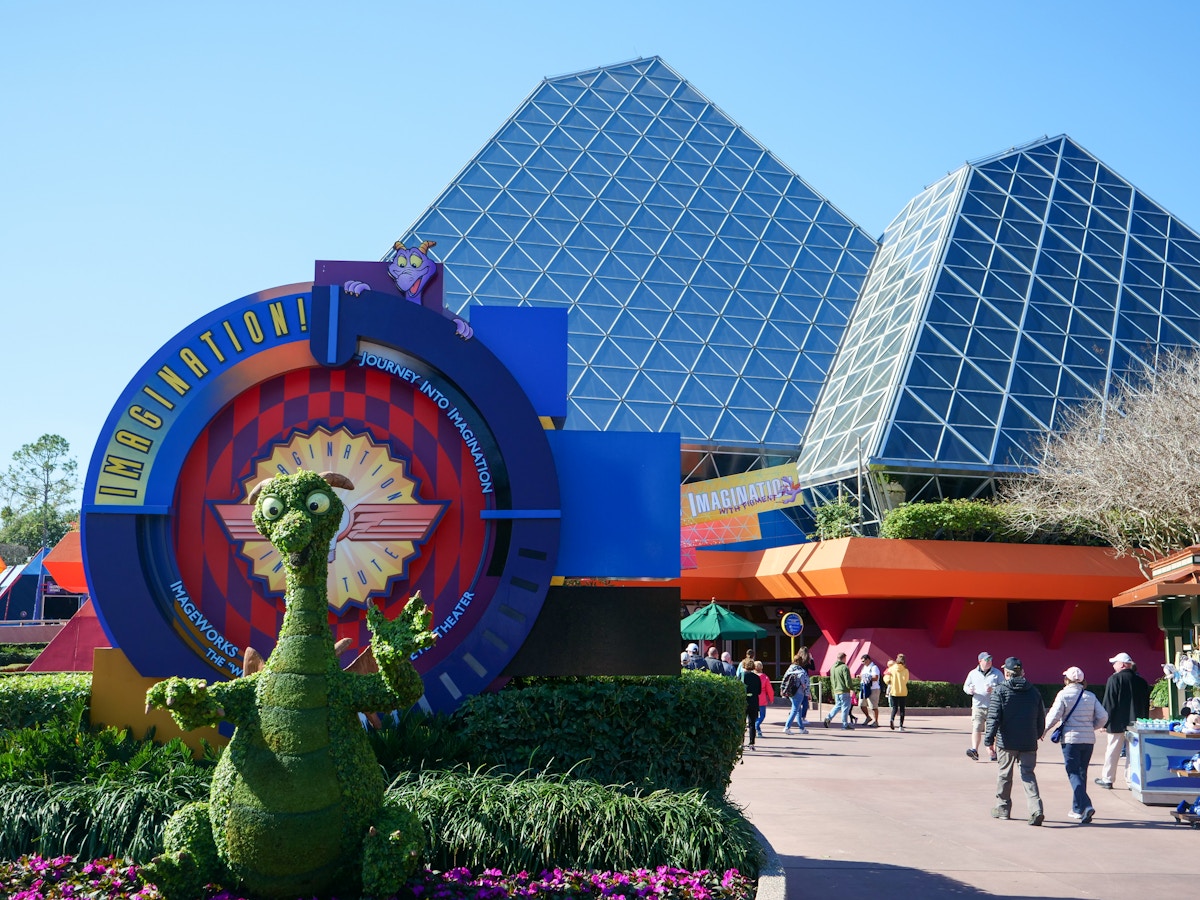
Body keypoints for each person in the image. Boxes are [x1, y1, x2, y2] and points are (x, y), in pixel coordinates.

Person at [983, 656, 1047, 826]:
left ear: (1007, 673)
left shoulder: (1001, 690)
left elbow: (994, 717)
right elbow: (1041, 715)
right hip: (1028, 741)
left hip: (1007, 741)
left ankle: (1003, 808)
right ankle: (1036, 809)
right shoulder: (1033, 691)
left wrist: (989, 740)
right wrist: (1038, 733)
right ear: (1022, 672)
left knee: (1005, 774)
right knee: (1028, 775)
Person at [1044, 665, 1108, 824]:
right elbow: (1103, 716)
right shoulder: (1090, 696)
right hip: (1088, 740)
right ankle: (1077, 809)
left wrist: (1043, 730)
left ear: (1067, 679)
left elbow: (1054, 715)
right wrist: (1092, 727)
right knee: (1081, 773)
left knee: (1073, 773)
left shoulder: (1063, 695)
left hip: (1071, 740)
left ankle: (1086, 806)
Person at [1096, 651, 1151, 789]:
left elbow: (1109, 703)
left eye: (1115, 663)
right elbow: (1146, 704)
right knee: (1133, 754)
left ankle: (1108, 779)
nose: (1114, 665)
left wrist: (1104, 722)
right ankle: (1132, 781)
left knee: (1112, 751)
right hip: (1136, 724)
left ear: (1122, 665)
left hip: (1116, 723)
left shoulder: (1114, 680)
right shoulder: (1141, 681)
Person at [964, 652, 1003, 761]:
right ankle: (974, 750)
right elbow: (965, 686)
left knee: (993, 730)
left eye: (990, 659)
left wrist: (994, 690)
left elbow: (1003, 688)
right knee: (976, 727)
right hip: (978, 706)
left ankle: (993, 752)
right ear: (980, 661)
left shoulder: (997, 673)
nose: (989, 661)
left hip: (993, 706)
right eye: (986, 660)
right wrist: (969, 690)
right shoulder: (972, 673)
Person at [781, 650, 811, 735]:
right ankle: (787, 727)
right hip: (799, 692)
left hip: (790, 692)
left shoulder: (789, 669)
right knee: (795, 709)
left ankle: (801, 728)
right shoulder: (802, 671)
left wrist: (782, 690)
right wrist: (807, 693)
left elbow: (784, 680)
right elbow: (806, 683)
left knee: (798, 709)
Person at [823, 652, 855, 729]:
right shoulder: (844, 667)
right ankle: (845, 724)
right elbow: (847, 680)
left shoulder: (833, 667)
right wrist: (851, 688)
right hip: (844, 690)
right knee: (845, 708)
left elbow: (832, 679)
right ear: (844, 658)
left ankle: (828, 717)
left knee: (838, 705)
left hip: (836, 690)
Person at [739, 656, 762, 750]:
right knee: (752, 723)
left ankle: (741, 742)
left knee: (742, 723)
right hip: (754, 701)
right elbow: (759, 691)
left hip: (743, 701)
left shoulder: (741, 675)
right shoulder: (757, 677)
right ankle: (752, 743)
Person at [884, 654, 911, 731]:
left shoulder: (891, 669)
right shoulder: (906, 670)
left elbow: (886, 677)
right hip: (902, 691)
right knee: (902, 709)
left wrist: (888, 681)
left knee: (894, 708)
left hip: (894, 691)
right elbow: (906, 681)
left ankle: (892, 719)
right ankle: (901, 726)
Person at [858, 654, 881, 727]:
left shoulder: (874, 667)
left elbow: (875, 678)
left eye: (863, 661)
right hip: (864, 688)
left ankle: (876, 721)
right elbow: (862, 676)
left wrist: (866, 677)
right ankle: (868, 717)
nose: (862, 663)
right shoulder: (864, 667)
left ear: (868, 660)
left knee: (873, 706)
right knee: (861, 704)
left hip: (873, 688)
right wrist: (861, 677)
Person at [754, 660, 775, 737]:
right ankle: (757, 726)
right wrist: (771, 698)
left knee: (755, 715)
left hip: (754, 698)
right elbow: (769, 690)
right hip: (762, 698)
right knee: (762, 715)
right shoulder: (765, 677)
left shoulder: (752, 676)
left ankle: (757, 729)